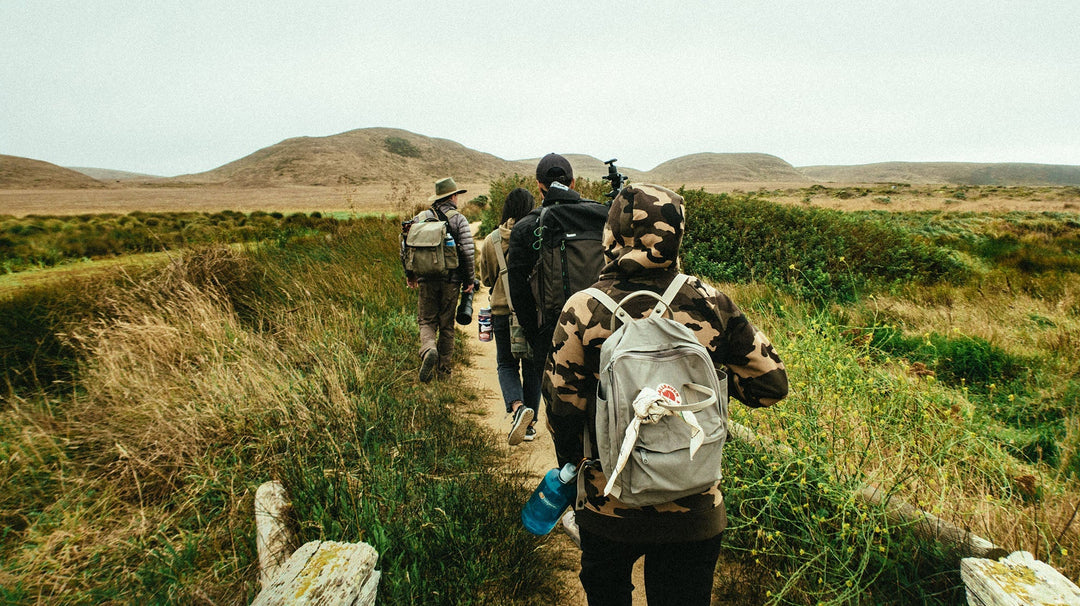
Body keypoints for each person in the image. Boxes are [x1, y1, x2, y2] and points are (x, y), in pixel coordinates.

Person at [543, 184, 789, 606]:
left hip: (609, 505)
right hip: (694, 506)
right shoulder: (711, 302)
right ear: (677, 234)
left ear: (613, 234)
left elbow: (563, 408)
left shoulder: (584, 308)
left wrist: (576, 469)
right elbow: (771, 387)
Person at [506, 153, 608, 440]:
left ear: (539, 186)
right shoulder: (599, 216)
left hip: (551, 334)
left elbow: (519, 294)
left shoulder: (525, 227)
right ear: (573, 182)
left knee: (563, 416)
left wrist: (535, 334)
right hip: (603, 327)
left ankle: (570, 470)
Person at [478, 187, 542, 444]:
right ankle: (530, 424)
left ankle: (518, 409)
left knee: (506, 363)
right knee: (533, 368)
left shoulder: (491, 240)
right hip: (533, 310)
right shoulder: (538, 234)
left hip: (502, 311)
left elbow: (486, 279)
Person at [405, 177, 475, 382]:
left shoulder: (419, 219)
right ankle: (444, 371)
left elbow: (406, 248)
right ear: (453, 196)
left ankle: (428, 350)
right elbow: (468, 253)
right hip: (451, 280)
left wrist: (410, 274)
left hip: (425, 278)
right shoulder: (459, 219)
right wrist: (469, 280)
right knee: (446, 325)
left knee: (426, 320)